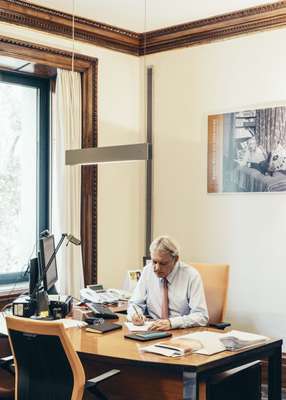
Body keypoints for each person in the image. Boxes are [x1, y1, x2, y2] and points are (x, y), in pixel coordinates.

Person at [127, 236, 209, 331]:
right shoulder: (148, 271)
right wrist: (135, 315)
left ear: (176, 259)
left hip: (180, 331)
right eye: (154, 262)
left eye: (163, 263)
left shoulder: (191, 275)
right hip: (153, 330)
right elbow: (135, 304)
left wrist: (172, 323)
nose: (156, 268)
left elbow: (201, 316)